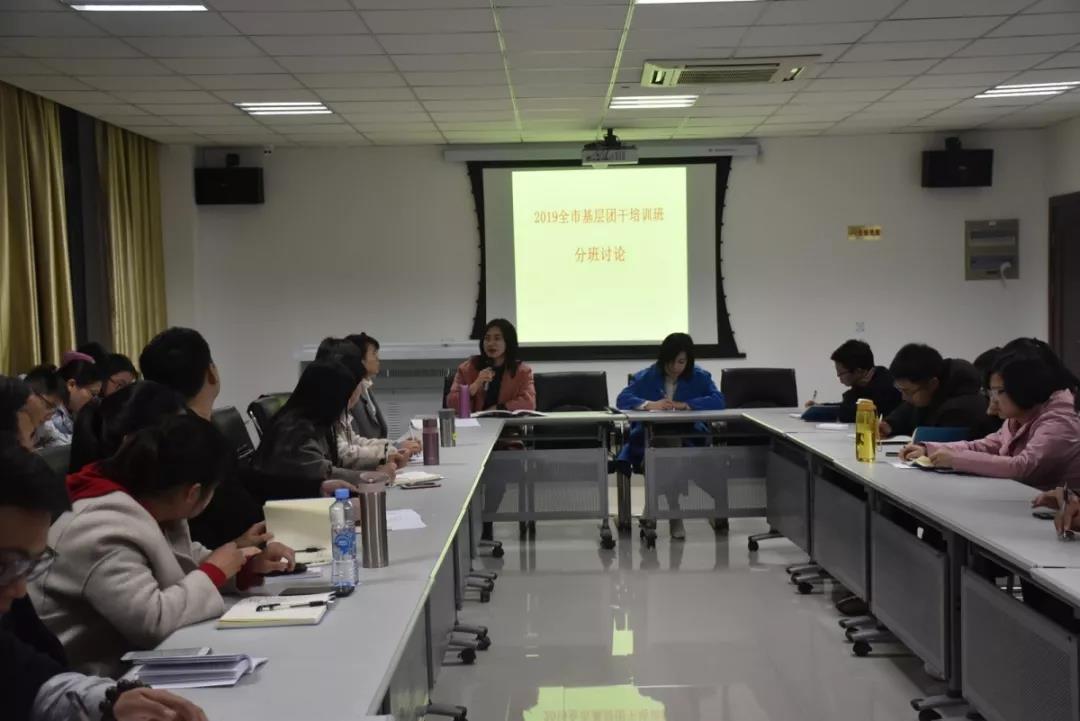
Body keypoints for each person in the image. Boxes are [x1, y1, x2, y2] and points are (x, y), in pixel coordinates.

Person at [31, 414, 295, 677]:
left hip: (127, 661)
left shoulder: (150, 504)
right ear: (193, 493)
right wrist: (215, 571)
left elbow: (182, 560)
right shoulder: (101, 528)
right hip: (90, 676)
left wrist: (243, 563)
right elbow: (152, 622)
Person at [0, 445, 209, 721]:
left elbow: (35, 685)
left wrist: (112, 702)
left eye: (32, 564)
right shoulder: (100, 519)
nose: (20, 590)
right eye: (3, 566)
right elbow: (152, 622)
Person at [140, 326, 264, 549]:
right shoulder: (200, 444)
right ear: (211, 373)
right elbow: (242, 520)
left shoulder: (150, 437)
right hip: (220, 558)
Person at [901, 353, 1080, 489]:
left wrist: (957, 459)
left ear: (1022, 388)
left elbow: (1023, 468)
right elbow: (986, 445)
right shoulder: (1017, 417)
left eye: (999, 392)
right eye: (990, 393)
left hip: (1062, 513)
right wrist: (929, 449)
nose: (992, 401)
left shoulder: (1059, 419)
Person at [616, 333, 726, 540]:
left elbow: (719, 400)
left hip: (688, 438)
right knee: (667, 450)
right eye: (670, 362)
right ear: (663, 360)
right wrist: (650, 404)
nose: (675, 367)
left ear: (688, 361)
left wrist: (686, 405)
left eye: (681, 362)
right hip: (649, 440)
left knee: (669, 452)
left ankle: (652, 509)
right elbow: (622, 399)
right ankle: (675, 513)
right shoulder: (648, 375)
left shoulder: (699, 376)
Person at [249, 360, 371, 501]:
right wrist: (372, 477)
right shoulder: (295, 434)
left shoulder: (314, 423)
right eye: (344, 399)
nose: (347, 405)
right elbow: (327, 474)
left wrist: (378, 466)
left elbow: (336, 462)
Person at [315, 339, 408, 474]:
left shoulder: (339, 406)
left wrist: (389, 450)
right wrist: (384, 456)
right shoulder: (325, 409)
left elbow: (353, 441)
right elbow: (342, 455)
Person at [880, 343, 995, 439]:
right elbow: (908, 409)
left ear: (932, 384)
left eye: (907, 391)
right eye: (900, 389)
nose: (904, 397)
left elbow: (943, 450)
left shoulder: (960, 410)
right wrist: (890, 424)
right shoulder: (927, 391)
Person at [345, 333, 422, 455]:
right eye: (374, 354)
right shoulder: (350, 393)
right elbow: (353, 445)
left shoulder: (365, 387)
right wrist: (395, 447)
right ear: (360, 360)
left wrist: (397, 445)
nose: (378, 359)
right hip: (366, 461)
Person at [445, 319, 536, 414]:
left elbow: (529, 403)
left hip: (506, 422)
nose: (490, 343)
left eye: (497, 338)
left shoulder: (522, 372)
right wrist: (475, 386)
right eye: (487, 339)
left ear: (508, 342)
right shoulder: (467, 369)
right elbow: (451, 403)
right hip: (475, 422)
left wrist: (498, 408)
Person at [804, 340, 902, 422]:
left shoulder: (886, 387)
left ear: (858, 371)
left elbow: (850, 413)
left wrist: (818, 411)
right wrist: (821, 406)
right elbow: (847, 406)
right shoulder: (862, 383)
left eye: (841, 373)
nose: (838, 377)